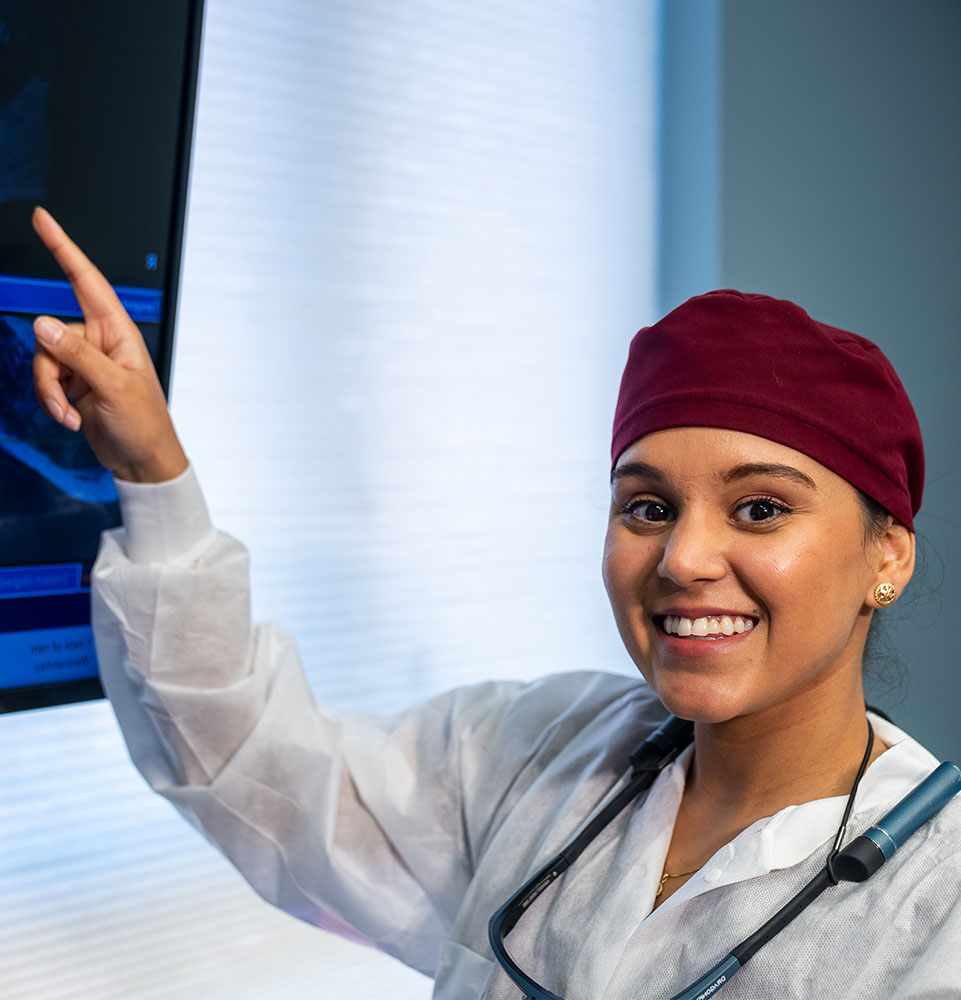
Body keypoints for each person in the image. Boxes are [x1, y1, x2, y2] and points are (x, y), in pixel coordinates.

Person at [29, 206, 961, 999]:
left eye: (759, 509)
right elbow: (255, 770)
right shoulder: (547, 753)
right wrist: (151, 469)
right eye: (646, 507)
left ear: (886, 555)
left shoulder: (939, 901)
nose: (682, 558)